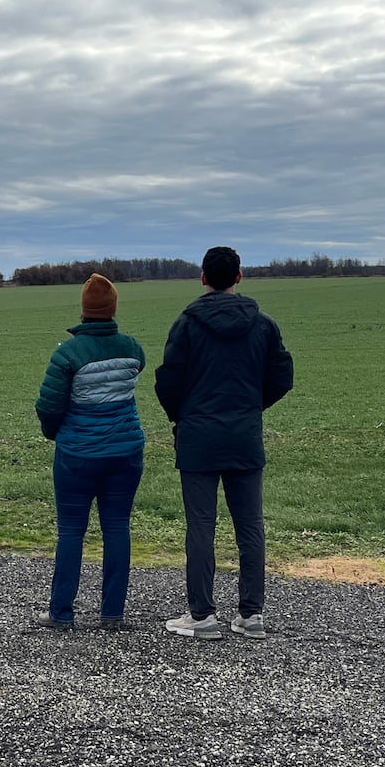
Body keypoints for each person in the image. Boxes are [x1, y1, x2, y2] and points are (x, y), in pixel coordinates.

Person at [154, 246, 294, 640]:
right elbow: (282, 377)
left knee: (201, 525)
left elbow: (168, 381)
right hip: (244, 436)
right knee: (250, 525)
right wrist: (251, 406)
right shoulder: (263, 324)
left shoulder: (186, 323)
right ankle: (251, 614)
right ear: (239, 277)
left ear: (203, 277)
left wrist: (184, 415)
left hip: (198, 437)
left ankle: (202, 615)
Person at [34, 273, 147, 630]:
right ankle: (112, 613)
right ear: (113, 309)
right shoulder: (133, 348)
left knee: (71, 531)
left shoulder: (68, 354)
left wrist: (56, 433)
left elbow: (48, 406)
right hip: (126, 451)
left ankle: (62, 613)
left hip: (78, 453)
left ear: (84, 310)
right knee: (117, 528)